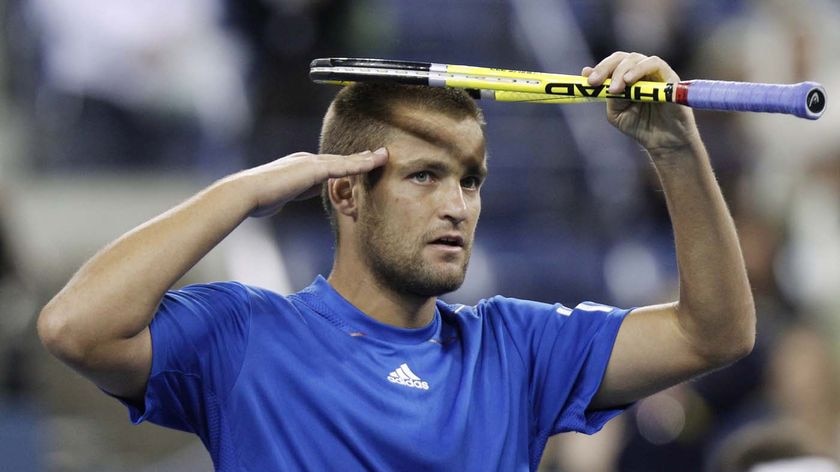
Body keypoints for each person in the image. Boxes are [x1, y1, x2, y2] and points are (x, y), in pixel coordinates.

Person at [37, 52, 755, 470]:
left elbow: (714, 333)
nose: (458, 206)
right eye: (425, 176)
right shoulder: (244, 337)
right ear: (345, 192)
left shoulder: (518, 349)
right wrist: (247, 190)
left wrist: (673, 148)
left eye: (470, 179)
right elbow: (75, 327)